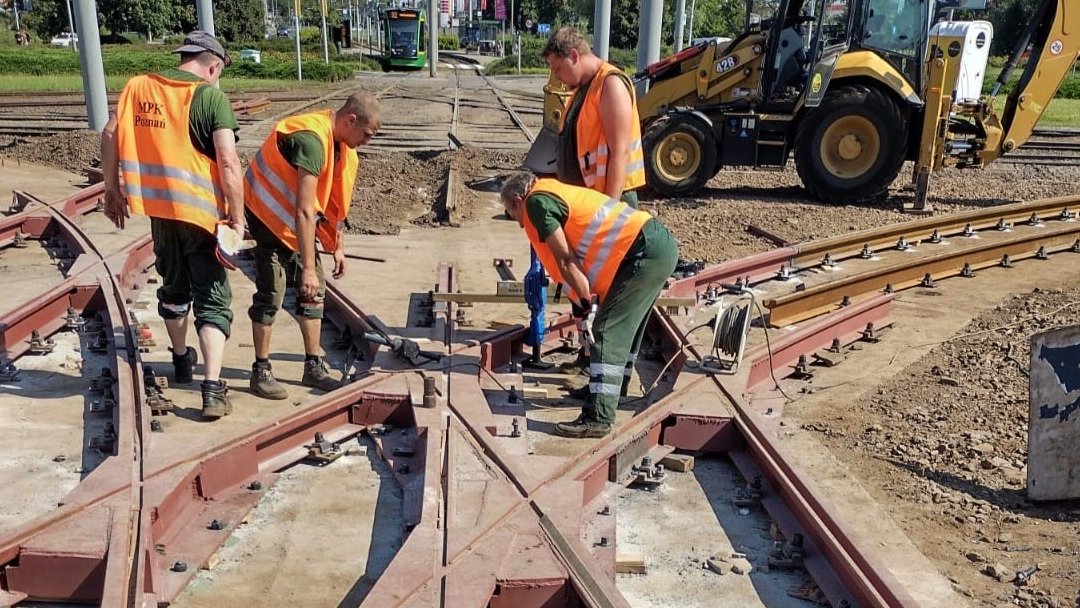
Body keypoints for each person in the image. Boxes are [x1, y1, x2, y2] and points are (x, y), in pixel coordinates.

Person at [101, 31, 244, 420]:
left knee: (174, 287)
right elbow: (228, 162)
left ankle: (181, 361)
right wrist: (237, 216)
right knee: (213, 297)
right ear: (212, 64)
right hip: (201, 216)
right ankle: (212, 388)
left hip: (160, 212)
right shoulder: (210, 97)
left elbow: (111, 133)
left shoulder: (138, 87)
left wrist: (112, 190)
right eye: (219, 72)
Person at [500, 173, 679, 438]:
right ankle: (607, 392)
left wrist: (587, 300)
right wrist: (582, 299)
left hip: (644, 251)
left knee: (607, 332)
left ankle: (598, 418)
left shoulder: (536, 204)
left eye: (511, 214)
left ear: (517, 200)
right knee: (625, 332)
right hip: (652, 245)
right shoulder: (548, 190)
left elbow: (565, 259)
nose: (516, 223)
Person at [244, 93, 380, 400]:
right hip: (267, 215)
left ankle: (312, 366)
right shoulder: (311, 141)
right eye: (367, 134)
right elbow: (305, 210)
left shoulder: (343, 147)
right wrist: (307, 267)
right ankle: (261, 370)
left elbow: (332, 204)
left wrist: (337, 247)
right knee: (272, 291)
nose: (367, 141)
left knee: (313, 292)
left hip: (294, 221)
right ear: (351, 120)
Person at [542, 26, 646, 207]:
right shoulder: (584, 88)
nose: (556, 77)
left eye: (557, 68)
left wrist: (608, 213)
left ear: (574, 56)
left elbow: (620, 153)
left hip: (610, 199)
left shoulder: (611, 85)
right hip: (590, 198)